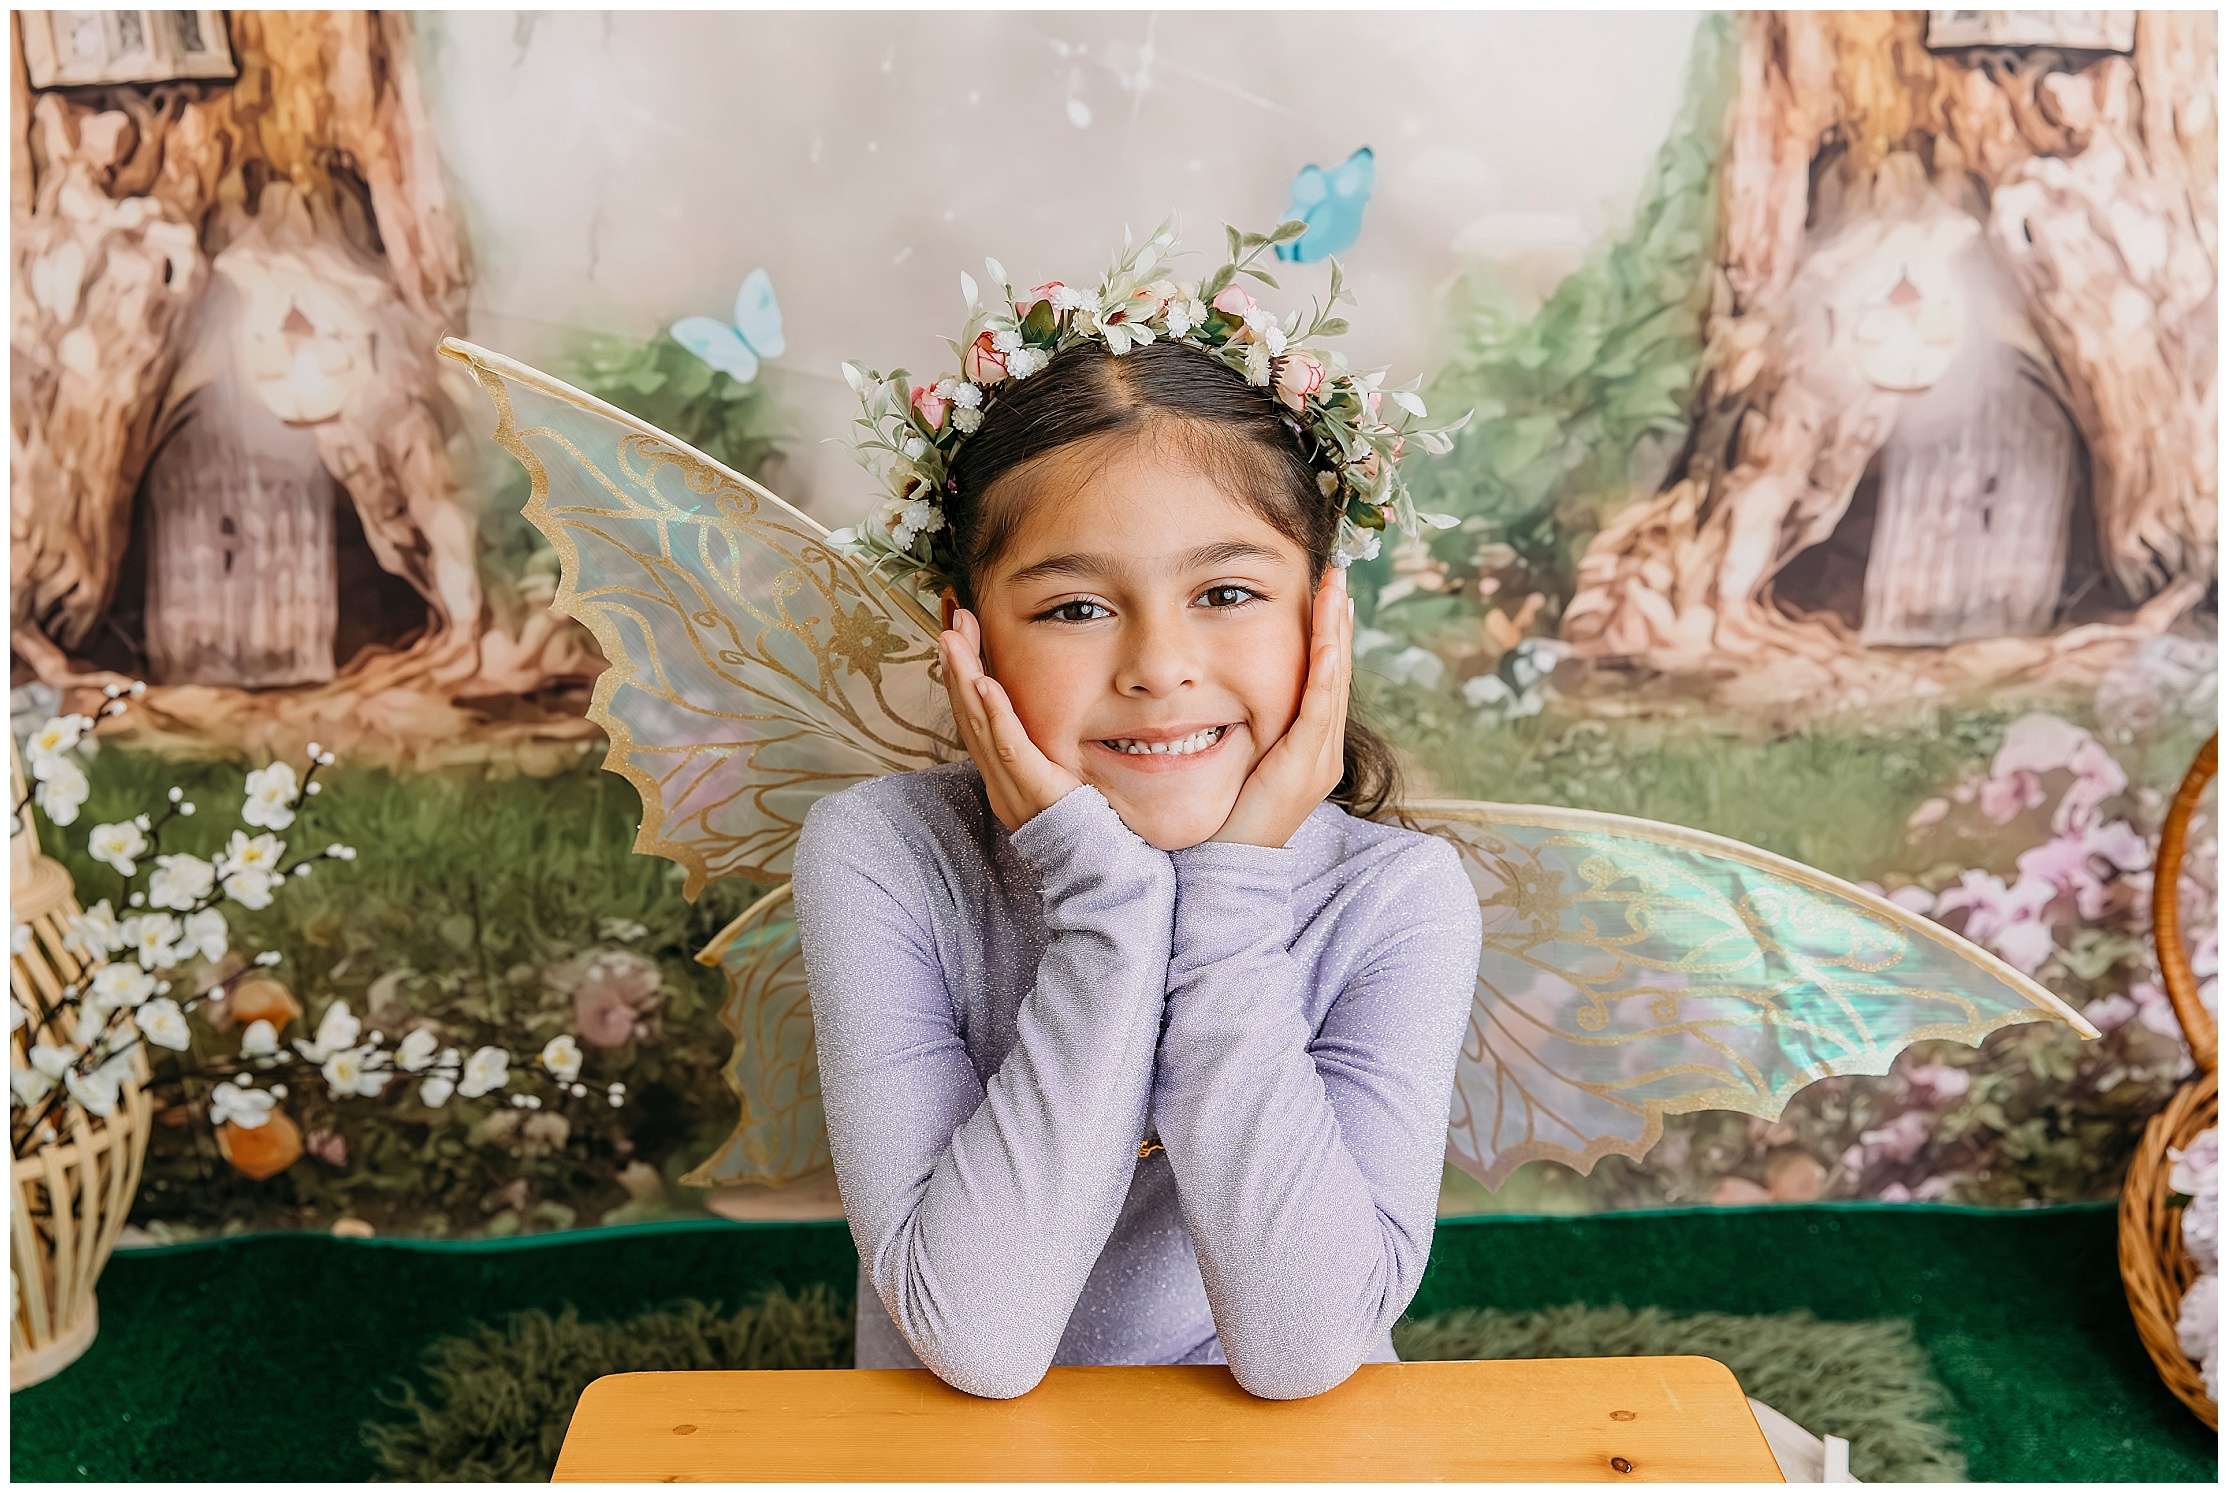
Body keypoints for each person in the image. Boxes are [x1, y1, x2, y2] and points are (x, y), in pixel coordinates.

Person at [788, 223, 1484, 1400]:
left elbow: (1305, 1348)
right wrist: (1103, 896)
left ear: (1323, 619)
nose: (1159, 665)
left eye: (1225, 592)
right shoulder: (883, 855)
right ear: (965, 638)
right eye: (1071, 608)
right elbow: (977, 1337)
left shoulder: (1396, 901)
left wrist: (1232, 889)